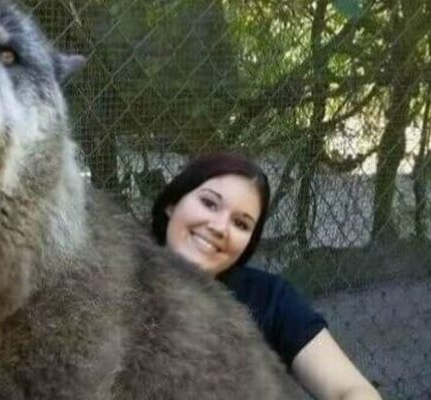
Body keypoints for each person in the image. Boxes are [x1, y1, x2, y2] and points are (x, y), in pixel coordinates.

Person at [150, 153, 382, 400]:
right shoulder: (115, 278)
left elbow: (349, 389)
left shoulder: (269, 298)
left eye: (241, 224)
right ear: (172, 204)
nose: (219, 228)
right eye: (209, 203)